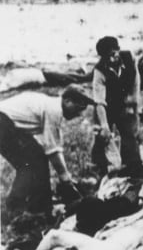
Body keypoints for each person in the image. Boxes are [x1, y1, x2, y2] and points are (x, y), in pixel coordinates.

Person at [0, 85, 93, 217]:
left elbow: (55, 145)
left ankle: (38, 205)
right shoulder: (54, 110)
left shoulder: (52, 106)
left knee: (36, 158)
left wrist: (66, 177)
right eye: (78, 108)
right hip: (3, 121)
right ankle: (17, 207)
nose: (79, 114)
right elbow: (53, 150)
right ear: (67, 101)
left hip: (7, 122)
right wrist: (65, 179)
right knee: (29, 165)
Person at [92, 36, 142, 174]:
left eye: (114, 54)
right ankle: (98, 166)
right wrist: (105, 125)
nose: (111, 58)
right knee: (102, 137)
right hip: (107, 106)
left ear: (118, 50)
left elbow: (136, 81)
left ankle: (132, 166)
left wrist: (134, 107)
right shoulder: (99, 71)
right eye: (107, 56)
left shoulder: (129, 58)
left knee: (130, 135)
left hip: (125, 102)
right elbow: (99, 102)